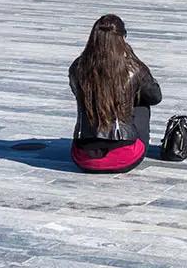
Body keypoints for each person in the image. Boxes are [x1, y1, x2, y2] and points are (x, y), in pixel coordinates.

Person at [69, 14, 162, 174]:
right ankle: (131, 143)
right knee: (142, 102)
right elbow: (155, 97)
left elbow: (76, 92)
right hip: (125, 157)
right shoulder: (134, 68)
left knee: (92, 99)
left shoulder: (77, 67)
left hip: (83, 157)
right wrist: (134, 59)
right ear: (122, 38)